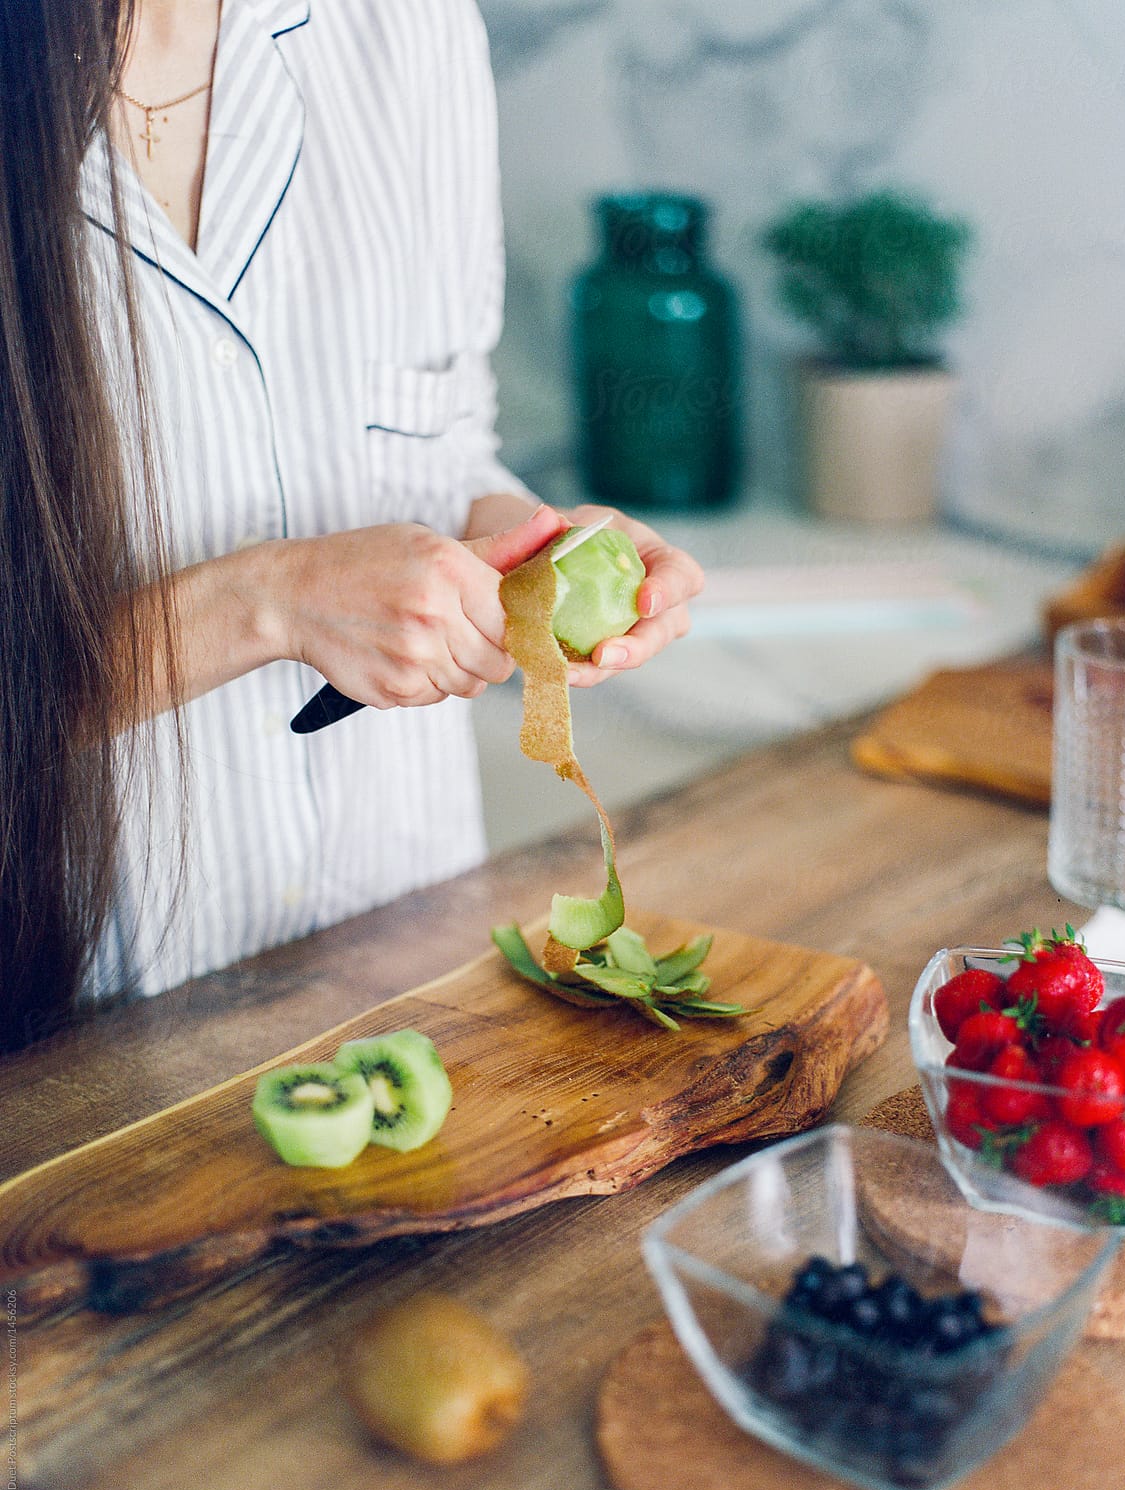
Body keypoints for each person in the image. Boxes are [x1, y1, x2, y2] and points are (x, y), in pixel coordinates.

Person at [0, 0, 703, 1052]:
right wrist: (264, 602)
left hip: (408, 946)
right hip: (82, 1021)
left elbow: (442, 441)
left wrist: (531, 551)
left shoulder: (406, 26)